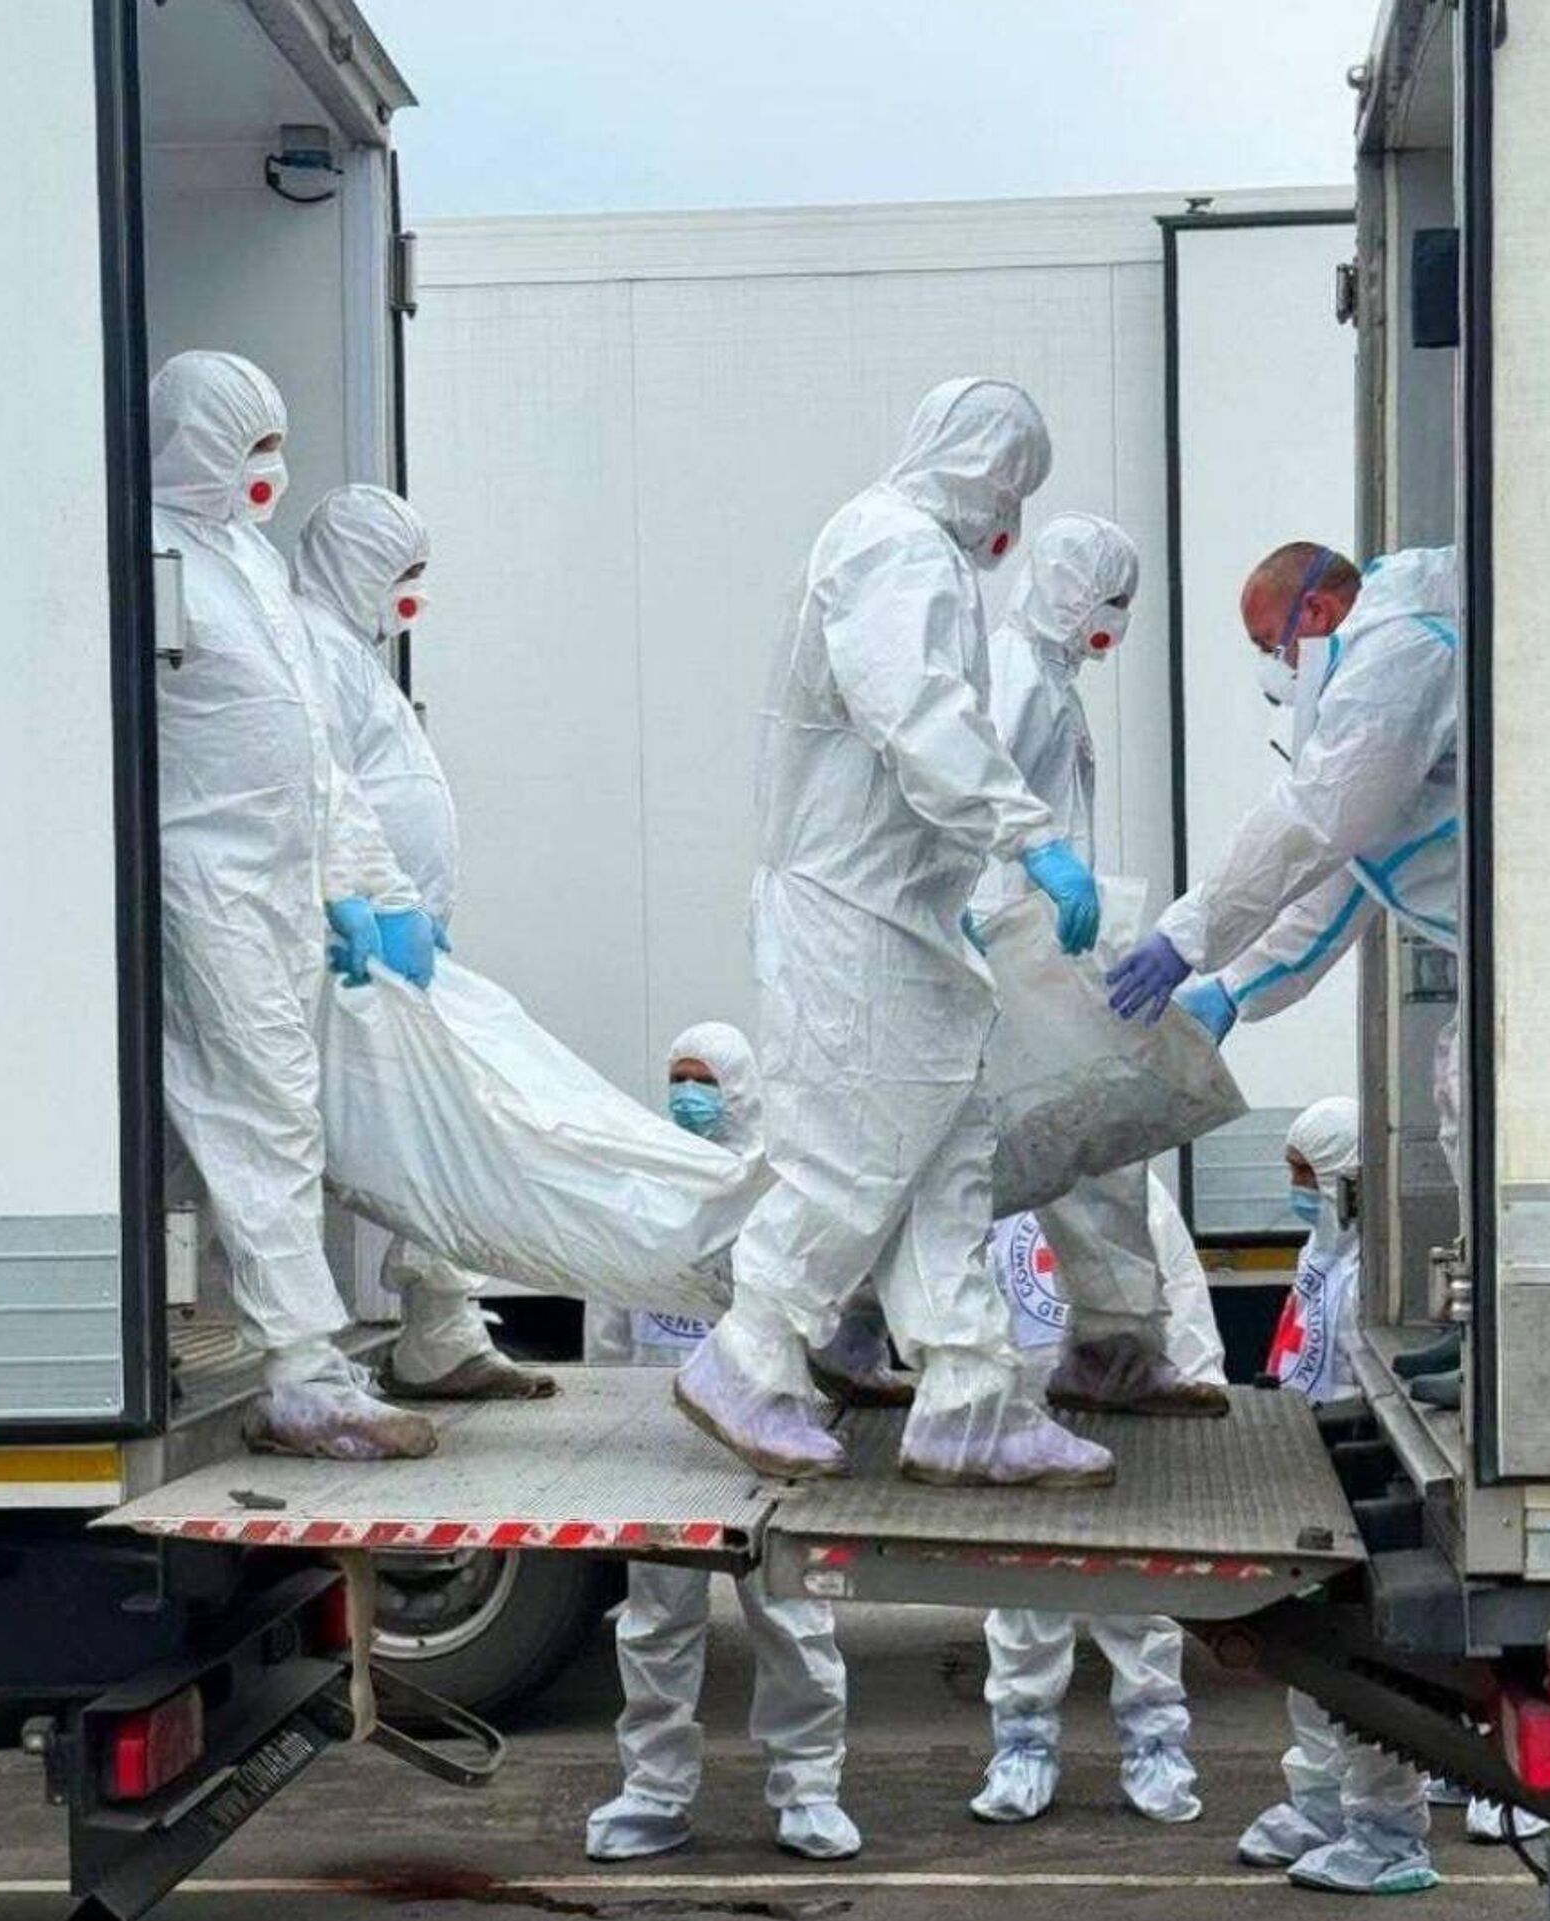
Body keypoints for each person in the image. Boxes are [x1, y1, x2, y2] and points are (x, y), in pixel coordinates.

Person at [675, 377, 1114, 1489]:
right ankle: (749, 1353)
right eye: (1012, 482)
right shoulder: (892, 544)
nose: (1012, 512)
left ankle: (969, 1395)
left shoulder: (923, 555)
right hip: (854, 915)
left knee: (943, 1157)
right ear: (980, 465)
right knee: (857, 1153)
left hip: (900, 914)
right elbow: (913, 711)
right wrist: (1028, 836)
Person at [152, 350, 439, 1461]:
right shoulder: (149, 554)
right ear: (199, 440)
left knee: (256, 1116)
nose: (270, 467)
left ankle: (206, 1328)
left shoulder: (251, 564)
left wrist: (371, 889)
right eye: (252, 444)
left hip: (276, 888)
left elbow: (315, 755)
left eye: (275, 443)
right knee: (262, 1111)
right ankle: (303, 1371)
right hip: (207, 880)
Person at [1107, 541, 1463, 1403]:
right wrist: (1235, 986)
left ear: (1317, 611)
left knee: (1473, 1099)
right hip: (1495, 939)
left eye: (1271, 645)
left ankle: (1497, 1336)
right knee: (1463, 1096)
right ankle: (1483, 1327)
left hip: (1529, 937)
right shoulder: (1383, 654)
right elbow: (1348, 875)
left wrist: (1189, 936)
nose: (1275, 668)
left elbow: (1314, 824)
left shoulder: (1398, 653)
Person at [291, 483, 554, 1403]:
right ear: (356, 566)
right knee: (397, 1129)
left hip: (394, 943)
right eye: (401, 572)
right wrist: (360, 900)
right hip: (352, 946)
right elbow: (321, 791)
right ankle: (341, 1344)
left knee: (431, 1123)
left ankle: (440, 1331)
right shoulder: (315, 648)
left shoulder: (351, 655)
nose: (413, 594)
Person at [585, 1024, 860, 1864]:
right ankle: (653, 1791)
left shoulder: (779, 1192)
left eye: (703, 1080)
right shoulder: (650, 1187)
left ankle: (809, 1791)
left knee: (794, 1620)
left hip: (765, 1449)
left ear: (740, 1087)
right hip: (665, 1449)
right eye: (677, 1078)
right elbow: (610, 1324)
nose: (688, 1096)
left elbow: (824, 1319)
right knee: (655, 1627)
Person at [972, 511, 1227, 1417]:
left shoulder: (1052, 681)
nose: (1116, 618)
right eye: (1109, 598)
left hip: (1046, 947)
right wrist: (977, 916)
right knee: (954, 1152)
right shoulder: (1012, 672)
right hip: (1006, 951)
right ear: (1070, 589)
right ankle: (845, 1327)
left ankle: (1113, 1349)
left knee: (1096, 1140)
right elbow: (971, 795)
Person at [969, 1172, 1224, 1829]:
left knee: (1136, 1595)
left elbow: (1180, 1292)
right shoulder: (989, 1191)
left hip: (1121, 1428)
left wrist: (1199, 1389)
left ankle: (1156, 1745)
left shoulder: (1128, 1191)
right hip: (1022, 1425)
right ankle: (1022, 1746)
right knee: (1024, 1596)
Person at [1238, 1098, 1437, 1897]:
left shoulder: (1377, 1273)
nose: (1296, 1190)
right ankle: (1322, 1805)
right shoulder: (1323, 1252)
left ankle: (1390, 1835)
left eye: (1306, 1175)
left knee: (1365, 1668)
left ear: (1348, 1178)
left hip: (1361, 1477)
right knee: (1314, 1660)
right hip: (1313, 1472)